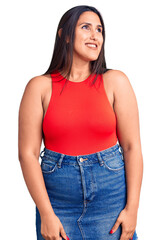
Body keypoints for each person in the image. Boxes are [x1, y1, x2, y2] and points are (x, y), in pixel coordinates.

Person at [18, 5, 143, 240]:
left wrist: (133, 208)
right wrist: (46, 213)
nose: (95, 35)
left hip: (111, 199)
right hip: (57, 202)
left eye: (99, 29)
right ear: (64, 35)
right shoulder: (39, 87)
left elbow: (132, 147)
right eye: (85, 27)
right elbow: (28, 154)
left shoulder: (115, 82)